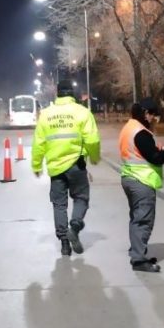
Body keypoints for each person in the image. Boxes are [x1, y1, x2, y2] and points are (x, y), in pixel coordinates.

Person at [31, 81, 101, 256]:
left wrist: (37, 165)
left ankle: (64, 244)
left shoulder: (46, 115)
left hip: (55, 168)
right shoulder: (83, 112)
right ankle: (75, 227)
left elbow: (39, 143)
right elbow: (92, 139)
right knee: (81, 198)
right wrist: (94, 156)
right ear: (72, 94)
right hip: (77, 164)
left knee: (59, 205)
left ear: (57, 93)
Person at [119, 98, 164, 272]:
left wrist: (159, 149)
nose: (154, 119)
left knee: (136, 217)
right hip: (141, 181)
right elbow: (154, 157)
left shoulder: (129, 127)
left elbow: (142, 151)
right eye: (153, 115)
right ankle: (139, 260)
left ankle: (136, 250)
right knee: (143, 220)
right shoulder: (141, 133)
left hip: (129, 178)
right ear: (146, 114)